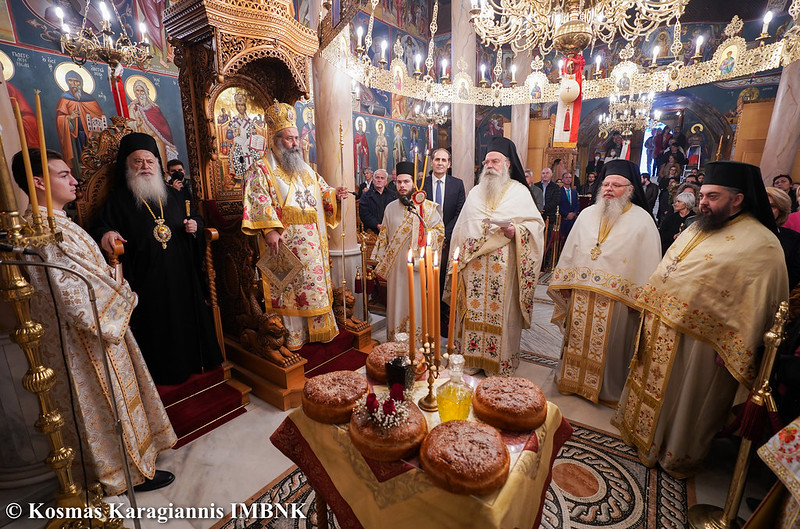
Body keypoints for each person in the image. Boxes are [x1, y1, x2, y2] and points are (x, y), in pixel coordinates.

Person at [14, 148, 176, 494]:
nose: (74, 181)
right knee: (106, 405)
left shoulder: (58, 223)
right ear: (38, 182)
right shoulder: (46, 232)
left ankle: (135, 463)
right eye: (63, 175)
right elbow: (75, 297)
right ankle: (127, 473)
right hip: (86, 339)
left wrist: (111, 276)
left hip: (96, 328)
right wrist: (120, 292)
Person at [613, 161, 789, 478]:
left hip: (703, 344)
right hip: (661, 325)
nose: (704, 202)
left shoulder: (763, 244)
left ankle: (672, 452)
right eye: (703, 194)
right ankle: (640, 436)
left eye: (713, 196)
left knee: (683, 402)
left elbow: (760, 301)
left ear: (738, 199)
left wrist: (739, 348)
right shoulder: (700, 225)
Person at [93, 133, 223, 384]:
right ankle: (164, 371)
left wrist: (194, 225)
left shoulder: (174, 195)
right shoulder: (119, 200)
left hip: (181, 272)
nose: (144, 167)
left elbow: (196, 217)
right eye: (137, 162)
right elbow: (99, 227)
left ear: (157, 164)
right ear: (127, 166)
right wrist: (107, 232)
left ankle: (195, 361)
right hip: (145, 278)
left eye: (150, 161)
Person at [548, 160, 661, 405]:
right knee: (576, 338)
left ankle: (606, 390)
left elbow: (649, 260)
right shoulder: (587, 214)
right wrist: (566, 281)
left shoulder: (643, 220)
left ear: (630, 189)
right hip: (581, 294)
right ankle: (571, 381)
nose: (609, 189)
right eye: (606, 184)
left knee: (612, 346)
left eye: (616, 185)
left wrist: (641, 298)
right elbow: (571, 249)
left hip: (617, 302)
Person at [240, 100, 350, 350]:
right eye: (289, 139)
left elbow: (322, 192)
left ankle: (316, 332)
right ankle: (293, 336)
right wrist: (268, 230)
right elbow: (258, 199)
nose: (295, 144)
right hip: (285, 242)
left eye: (296, 138)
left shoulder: (306, 170)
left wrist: (335, 194)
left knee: (313, 286)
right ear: (276, 139)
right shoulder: (262, 169)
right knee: (289, 288)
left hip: (313, 246)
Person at [447, 137, 545, 375]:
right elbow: (462, 228)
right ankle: (470, 360)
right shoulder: (475, 192)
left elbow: (535, 226)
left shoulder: (520, 192)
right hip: (473, 269)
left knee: (501, 316)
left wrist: (516, 232)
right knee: (470, 312)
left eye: (495, 161)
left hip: (505, 270)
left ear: (507, 164)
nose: (490, 165)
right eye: (487, 161)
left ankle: (498, 363)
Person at [371, 162, 444, 341]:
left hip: (420, 268)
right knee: (397, 304)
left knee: (418, 305)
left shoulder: (427, 208)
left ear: (414, 183)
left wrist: (424, 235)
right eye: (399, 182)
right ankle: (396, 342)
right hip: (397, 271)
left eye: (406, 182)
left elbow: (440, 232)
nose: (402, 186)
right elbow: (383, 239)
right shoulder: (390, 208)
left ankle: (418, 343)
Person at [55, 70, 108, 176]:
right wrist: (69, 118)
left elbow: (101, 116)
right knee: (78, 160)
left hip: (91, 136)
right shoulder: (65, 99)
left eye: (76, 81)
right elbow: (59, 118)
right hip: (74, 137)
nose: (74, 84)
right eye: (70, 81)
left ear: (81, 83)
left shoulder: (90, 99)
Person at [127, 79, 178, 165]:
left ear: (146, 92)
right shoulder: (132, 107)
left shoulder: (154, 108)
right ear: (134, 93)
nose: (140, 93)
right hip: (141, 142)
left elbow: (163, 126)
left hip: (157, 140)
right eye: (137, 91)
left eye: (142, 91)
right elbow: (129, 124)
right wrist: (136, 123)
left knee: (160, 162)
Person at [767, 187, 800, 291]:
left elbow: (794, 273)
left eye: (772, 207)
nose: (765, 210)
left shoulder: (793, 238)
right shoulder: (740, 234)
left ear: (780, 211)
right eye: (762, 205)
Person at [359, 168, 397, 234]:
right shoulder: (366, 196)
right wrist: (377, 225)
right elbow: (364, 214)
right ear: (373, 180)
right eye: (377, 178)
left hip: (390, 230)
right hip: (371, 232)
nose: (379, 180)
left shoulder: (393, 195)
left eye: (382, 178)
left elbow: (396, 212)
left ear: (386, 182)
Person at [559, 172, 580, 240]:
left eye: (570, 177)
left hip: (572, 220)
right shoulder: (559, 191)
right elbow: (558, 205)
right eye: (566, 177)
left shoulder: (574, 192)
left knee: (571, 239)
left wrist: (574, 213)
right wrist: (566, 214)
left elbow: (577, 204)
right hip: (563, 219)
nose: (568, 179)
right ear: (562, 180)